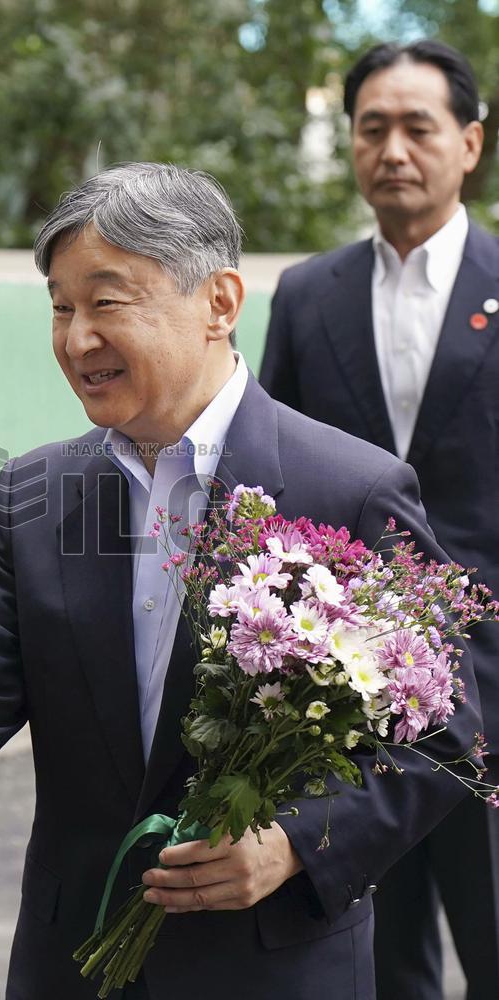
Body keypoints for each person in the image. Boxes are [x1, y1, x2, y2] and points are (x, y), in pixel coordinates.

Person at [0, 162, 482, 999]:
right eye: (60, 306)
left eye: (107, 302)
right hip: (73, 959)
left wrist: (295, 842)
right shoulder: (34, 495)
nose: (77, 337)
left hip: (273, 963)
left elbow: (445, 728)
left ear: (220, 303)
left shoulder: (351, 489)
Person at [259, 39, 499, 1000]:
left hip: (491, 688)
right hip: (350, 697)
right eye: (372, 129)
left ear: (469, 143)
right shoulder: (308, 295)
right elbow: (268, 484)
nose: (394, 149)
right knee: (380, 954)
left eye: (418, 127)